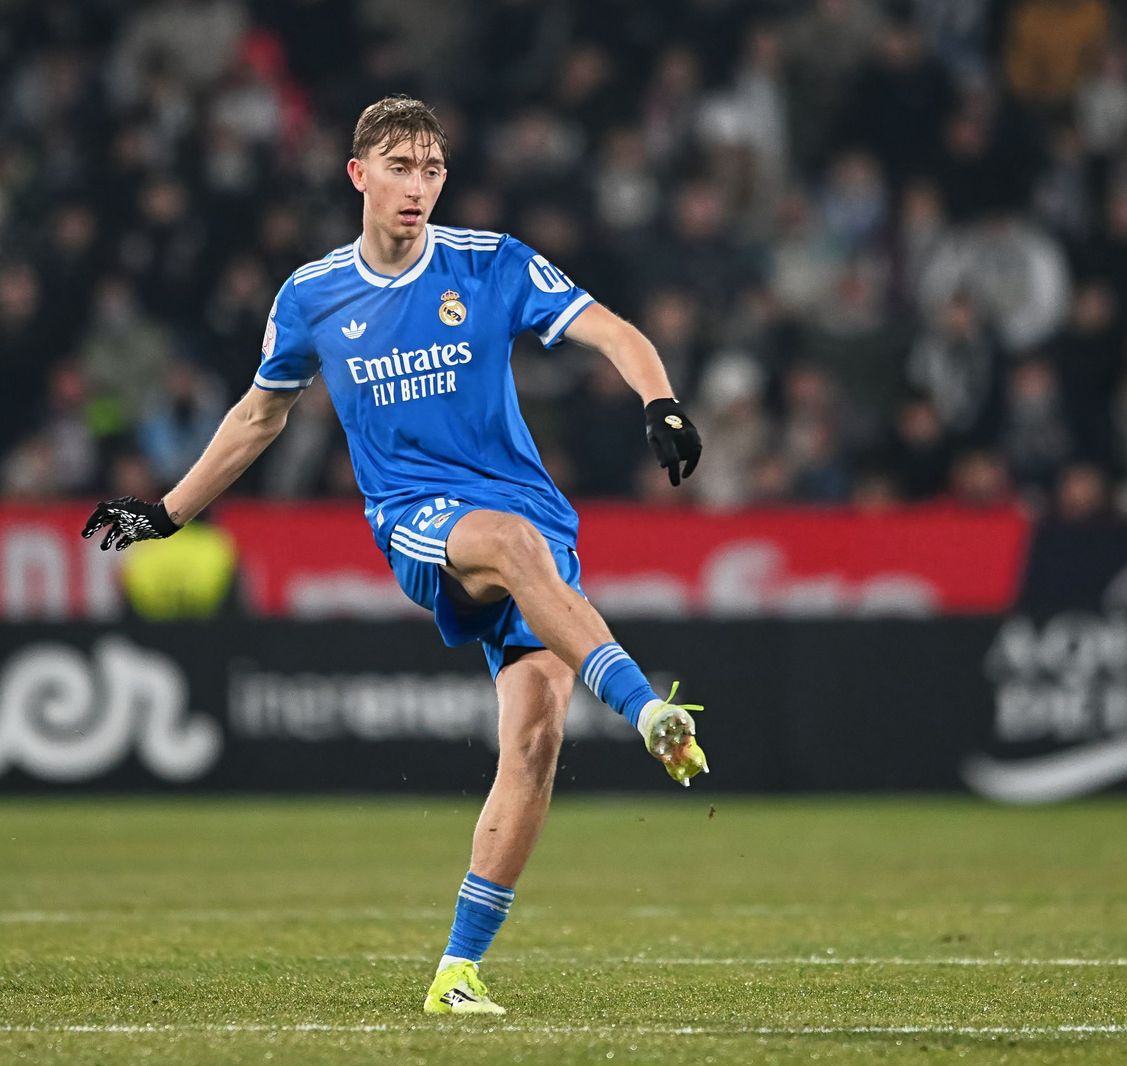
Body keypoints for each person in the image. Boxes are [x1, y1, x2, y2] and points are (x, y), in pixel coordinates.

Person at [79, 96, 709, 1016]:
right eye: (400, 167)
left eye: (432, 169)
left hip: (529, 512)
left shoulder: (491, 264)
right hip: (417, 519)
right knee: (508, 544)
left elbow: (616, 331)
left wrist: (661, 402)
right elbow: (260, 415)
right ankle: (649, 708)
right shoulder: (312, 294)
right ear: (358, 175)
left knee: (533, 741)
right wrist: (169, 513)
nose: (418, 186)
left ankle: (457, 971)